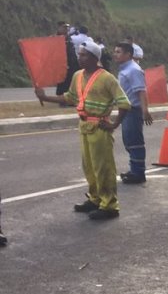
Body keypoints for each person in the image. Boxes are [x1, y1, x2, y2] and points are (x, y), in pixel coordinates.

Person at [35, 41, 131, 220]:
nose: (79, 58)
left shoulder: (107, 78)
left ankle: (109, 205)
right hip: (84, 127)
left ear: (95, 58)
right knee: (89, 167)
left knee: (103, 168)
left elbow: (124, 103)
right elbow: (70, 97)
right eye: (79, 54)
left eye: (84, 55)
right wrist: (45, 97)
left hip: (100, 128)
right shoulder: (77, 76)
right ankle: (95, 199)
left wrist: (114, 124)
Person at [113, 42, 153, 183]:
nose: (115, 54)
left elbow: (141, 91)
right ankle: (134, 169)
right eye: (115, 51)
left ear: (128, 54)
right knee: (128, 141)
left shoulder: (133, 70)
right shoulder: (125, 69)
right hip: (126, 110)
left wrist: (145, 111)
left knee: (135, 141)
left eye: (118, 52)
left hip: (133, 110)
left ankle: (138, 173)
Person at [55, 22, 79, 96]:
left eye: (67, 28)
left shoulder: (69, 38)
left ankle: (69, 97)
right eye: (64, 27)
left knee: (70, 81)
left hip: (71, 63)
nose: (66, 29)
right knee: (62, 82)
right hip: (61, 63)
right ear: (59, 28)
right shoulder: (56, 38)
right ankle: (61, 98)